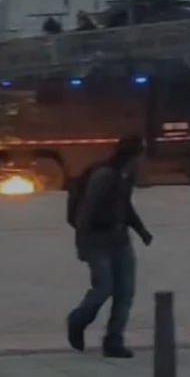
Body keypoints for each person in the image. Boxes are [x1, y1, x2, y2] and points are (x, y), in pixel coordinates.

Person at [67, 135, 154, 358]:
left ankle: (114, 340)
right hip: (97, 240)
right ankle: (78, 319)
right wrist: (81, 244)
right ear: (134, 155)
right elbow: (86, 210)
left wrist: (141, 230)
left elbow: (124, 204)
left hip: (120, 239)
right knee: (104, 287)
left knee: (125, 291)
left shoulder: (127, 174)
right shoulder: (104, 175)